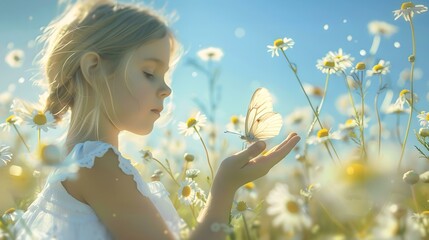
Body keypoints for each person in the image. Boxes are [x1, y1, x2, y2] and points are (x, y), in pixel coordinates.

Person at [13, 0, 301, 239]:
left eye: (165, 76)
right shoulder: (98, 164)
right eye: (149, 73)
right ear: (94, 68)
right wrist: (224, 187)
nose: (166, 89)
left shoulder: (73, 161)